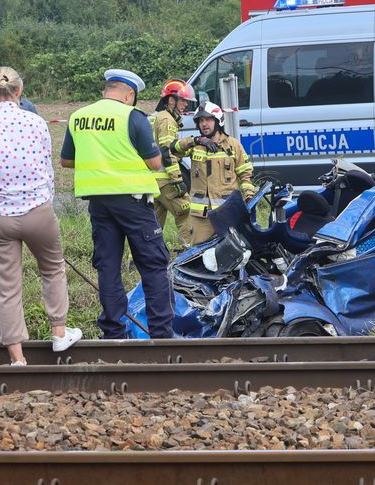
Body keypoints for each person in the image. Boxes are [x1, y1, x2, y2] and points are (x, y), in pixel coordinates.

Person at [0, 66, 79, 364]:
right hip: (38, 210)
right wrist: (46, 204)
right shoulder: (36, 123)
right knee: (53, 269)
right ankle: (58, 332)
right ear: (19, 91)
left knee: (6, 286)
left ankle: (17, 357)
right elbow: (48, 171)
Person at [61, 69, 173, 339]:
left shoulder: (78, 117)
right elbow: (154, 162)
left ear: (106, 90)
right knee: (153, 265)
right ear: (129, 94)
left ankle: (113, 333)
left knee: (108, 267)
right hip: (134, 201)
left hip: (99, 204)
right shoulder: (132, 116)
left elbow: (66, 160)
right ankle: (161, 334)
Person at [170, 101, 257, 244]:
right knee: (200, 256)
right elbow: (172, 149)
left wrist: (249, 197)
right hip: (201, 218)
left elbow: (246, 175)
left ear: (218, 121)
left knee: (232, 252)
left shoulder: (233, 145)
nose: (204, 124)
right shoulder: (195, 146)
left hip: (227, 213)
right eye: (201, 121)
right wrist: (195, 140)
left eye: (208, 119)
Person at [150, 79, 195, 243]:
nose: (186, 105)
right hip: (165, 180)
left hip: (153, 180)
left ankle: (140, 260)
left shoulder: (157, 117)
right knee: (186, 212)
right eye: (182, 100)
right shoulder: (167, 120)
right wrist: (177, 179)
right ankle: (190, 255)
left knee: (153, 223)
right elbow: (166, 150)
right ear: (171, 100)